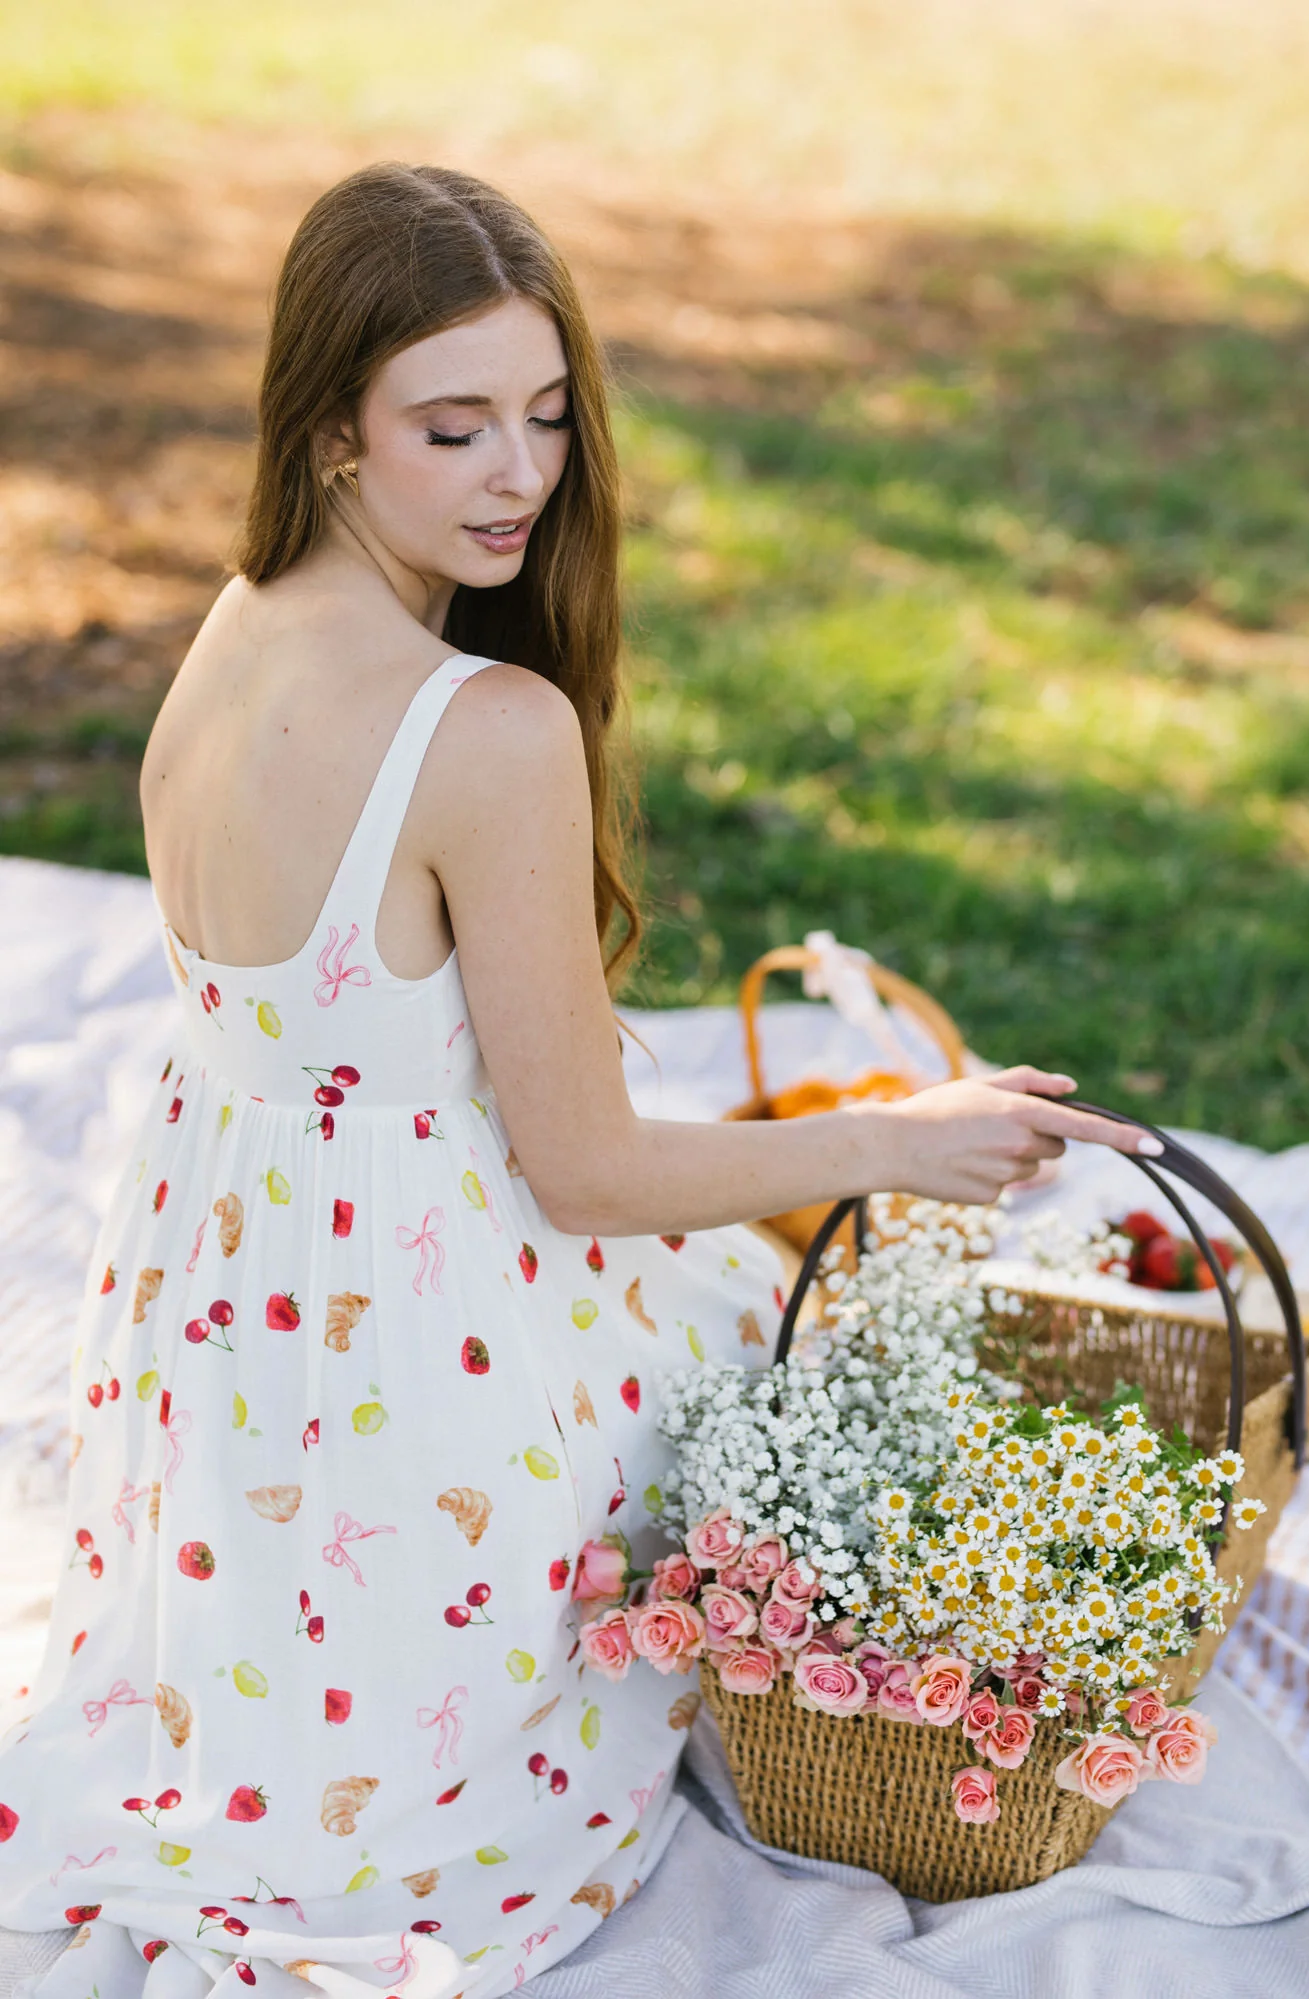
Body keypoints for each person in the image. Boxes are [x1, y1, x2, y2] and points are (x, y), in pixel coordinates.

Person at [0, 163, 1159, 1999]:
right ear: (328, 435)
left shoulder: (233, 628)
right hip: (409, 1356)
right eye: (451, 426)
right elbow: (588, 1171)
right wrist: (905, 1138)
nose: (521, 475)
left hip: (245, 1327)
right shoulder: (489, 731)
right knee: (771, 1359)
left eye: (546, 416)